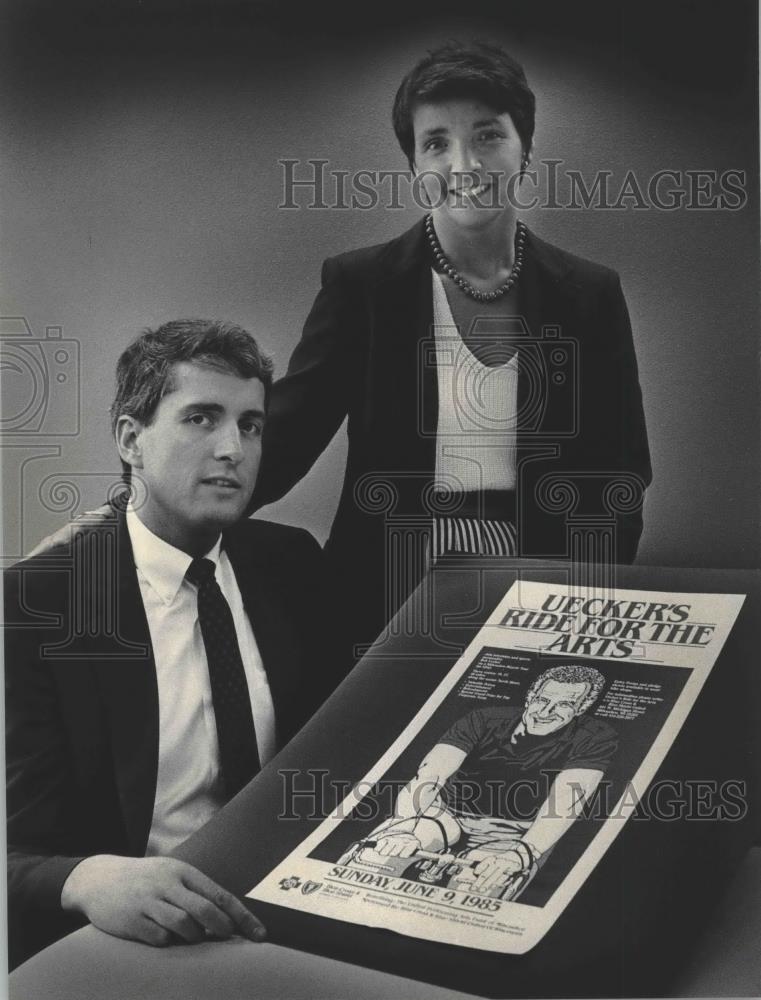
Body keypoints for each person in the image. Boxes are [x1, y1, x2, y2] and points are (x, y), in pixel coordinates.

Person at [254, 41, 652, 663]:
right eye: (436, 142)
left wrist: (581, 606)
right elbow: (284, 438)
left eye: (488, 135)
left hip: (540, 588)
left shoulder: (590, 295)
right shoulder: (364, 287)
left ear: (526, 150)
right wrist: (151, 511)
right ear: (415, 165)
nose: (464, 163)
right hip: (384, 594)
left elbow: (621, 474)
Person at [5, 319, 338, 969]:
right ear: (131, 439)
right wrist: (87, 879)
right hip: (134, 937)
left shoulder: (291, 565)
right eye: (200, 419)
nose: (233, 450)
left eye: (250, 425)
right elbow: (18, 850)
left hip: (290, 921)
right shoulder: (39, 603)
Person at [352, 664, 616, 898]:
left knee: (478, 887)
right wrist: (404, 828)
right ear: (530, 697)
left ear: (581, 708)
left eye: (564, 705)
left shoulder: (595, 736)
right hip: (445, 815)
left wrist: (523, 853)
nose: (546, 711)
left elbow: (568, 800)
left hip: (514, 830)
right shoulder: (484, 718)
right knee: (376, 856)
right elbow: (430, 775)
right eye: (542, 700)